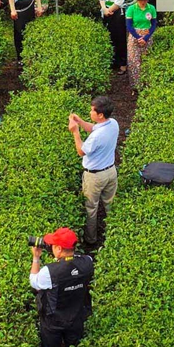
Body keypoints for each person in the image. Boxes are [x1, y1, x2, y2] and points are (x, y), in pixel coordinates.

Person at [30, 226, 94, 347]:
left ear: (58, 249)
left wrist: (36, 258)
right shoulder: (87, 262)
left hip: (52, 322)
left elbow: (34, 283)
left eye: (52, 245)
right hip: (76, 317)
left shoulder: (48, 272)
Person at [69, 95, 120, 246]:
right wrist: (80, 121)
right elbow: (93, 127)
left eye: (92, 111)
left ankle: (91, 240)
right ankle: (114, 233)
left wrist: (75, 131)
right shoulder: (113, 123)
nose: (90, 113)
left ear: (100, 115)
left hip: (95, 177)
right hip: (111, 172)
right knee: (110, 204)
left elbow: (81, 151)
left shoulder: (96, 137)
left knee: (91, 208)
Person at [99, 0, 129, 73]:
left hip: (116, 10)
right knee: (108, 35)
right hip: (105, 8)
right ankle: (112, 61)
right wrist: (104, 8)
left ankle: (122, 63)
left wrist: (110, 10)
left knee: (119, 36)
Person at [124, 0, 157, 87]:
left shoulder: (151, 8)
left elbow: (154, 24)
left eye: (144, 0)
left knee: (146, 59)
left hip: (147, 34)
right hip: (135, 35)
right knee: (134, 60)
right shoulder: (131, 9)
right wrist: (138, 37)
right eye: (140, 0)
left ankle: (147, 83)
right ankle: (136, 85)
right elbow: (129, 25)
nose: (143, 2)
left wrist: (146, 37)